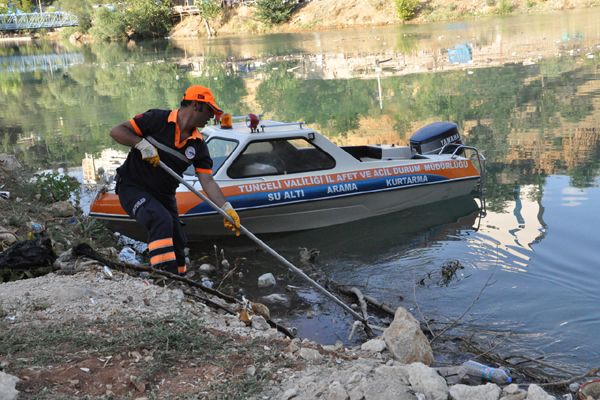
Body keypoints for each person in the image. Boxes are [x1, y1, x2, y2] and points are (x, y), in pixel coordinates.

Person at [110, 85, 240, 276]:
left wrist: (225, 208)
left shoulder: (198, 146)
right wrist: (141, 144)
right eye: (210, 111)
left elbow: (208, 181)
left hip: (164, 195)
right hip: (132, 187)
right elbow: (116, 131)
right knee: (159, 219)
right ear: (197, 105)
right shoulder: (156, 120)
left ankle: (179, 281)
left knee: (178, 239)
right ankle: (163, 279)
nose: (212, 117)